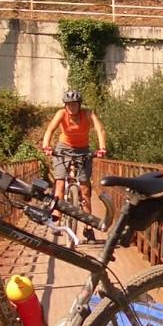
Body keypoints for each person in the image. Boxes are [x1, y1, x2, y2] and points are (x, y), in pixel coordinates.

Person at [41, 89, 107, 239]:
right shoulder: (61, 114)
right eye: (68, 105)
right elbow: (50, 130)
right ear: (65, 105)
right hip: (63, 148)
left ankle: (88, 226)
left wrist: (102, 148)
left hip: (83, 150)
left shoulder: (88, 114)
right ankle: (56, 221)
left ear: (79, 104)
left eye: (74, 104)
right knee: (59, 184)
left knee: (85, 189)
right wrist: (47, 146)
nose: (71, 107)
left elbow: (100, 129)